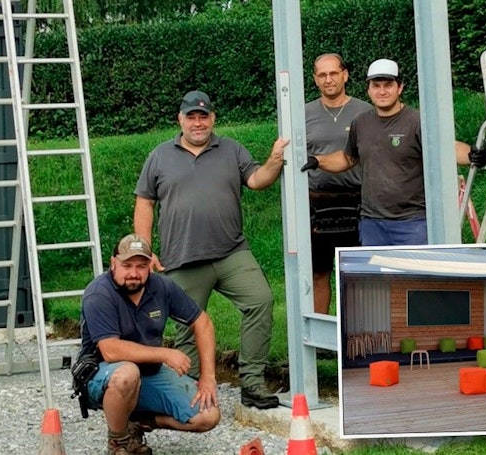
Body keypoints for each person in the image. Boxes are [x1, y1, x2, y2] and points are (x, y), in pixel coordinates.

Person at [133, 90, 288, 410]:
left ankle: (252, 382)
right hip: (183, 257)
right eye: (191, 116)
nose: (198, 122)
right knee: (188, 326)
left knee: (260, 300)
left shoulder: (231, 149)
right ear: (180, 120)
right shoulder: (160, 156)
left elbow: (258, 180)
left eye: (204, 116)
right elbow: (144, 202)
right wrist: (143, 250)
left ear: (213, 119)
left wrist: (274, 161)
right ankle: (186, 389)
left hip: (231, 252)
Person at [301, 58, 486, 246]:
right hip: (371, 223)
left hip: (413, 223)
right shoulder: (361, 122)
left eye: (388, 85)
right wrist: (318, 161)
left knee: (411, 275)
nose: (382, 91)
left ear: (400, 88)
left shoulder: (416, 121)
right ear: (369, 89)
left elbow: (444, 148)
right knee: (375, 275)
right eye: (376, 86)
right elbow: (347, 158)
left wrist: (471, 154)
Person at [80, 234, 221, 455]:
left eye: (141, 266)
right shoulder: (99, 293)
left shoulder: (162, 287)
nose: (134, 273)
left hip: (149, 373)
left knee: (208, 415)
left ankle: (137, 424)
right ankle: (118, 443)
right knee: (127, 373)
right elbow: (110, 349)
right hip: (102, 374)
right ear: (113, 263)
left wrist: (208, 377)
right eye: (126, 265)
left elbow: (203, 323)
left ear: (150, 266)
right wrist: (165, 354)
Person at [304, 53, 373, 314]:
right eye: (322, 75)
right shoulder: (303, 113)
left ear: (345, 75)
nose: (328, 79)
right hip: (316, 203)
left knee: (355, 272)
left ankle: (354, 334)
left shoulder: (364, 111)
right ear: (315, 79)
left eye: (333, 73)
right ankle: (320, 335)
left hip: (356, 201)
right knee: (319, 272)